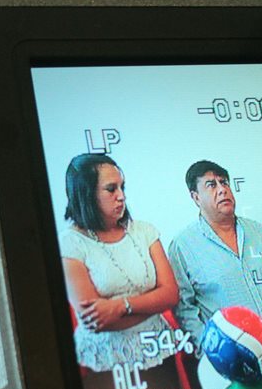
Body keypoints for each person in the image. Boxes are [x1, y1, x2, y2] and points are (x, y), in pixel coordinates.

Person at [58, 153, 179, 370]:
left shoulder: (144, 230)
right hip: (107, 361)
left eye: (123, 187)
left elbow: (170, 295)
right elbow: (97, 322)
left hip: (157, 346)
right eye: (111, 189)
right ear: (86, 194)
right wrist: (152, 302)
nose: (121, 196)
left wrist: (119, 306)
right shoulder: (71, 243)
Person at [169, 160, 262, 344]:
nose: (222, 189)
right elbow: (185, 310)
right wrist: (209, 349)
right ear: (196, 198)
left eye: (224, 182)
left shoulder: (258, 232)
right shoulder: (183, 246)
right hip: (232, 357)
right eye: (211, 185)